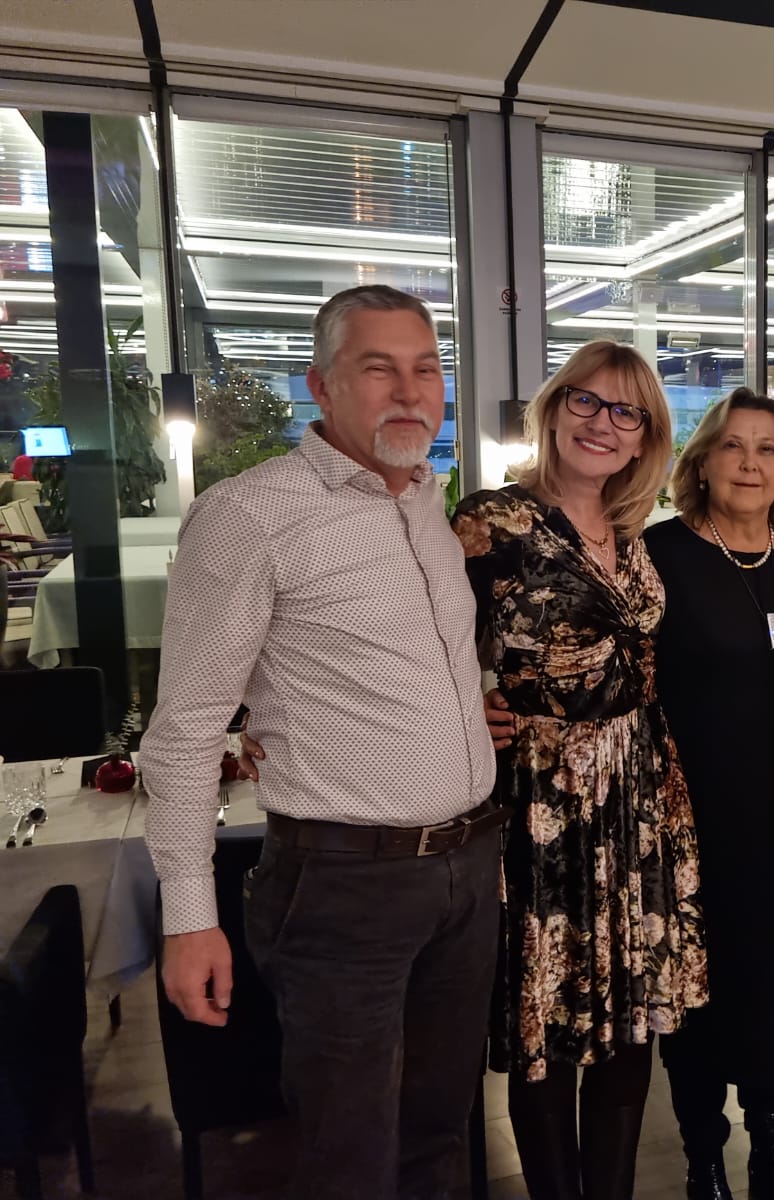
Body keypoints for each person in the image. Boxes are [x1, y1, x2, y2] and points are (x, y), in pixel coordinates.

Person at [142, 284, 502, 1200]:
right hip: (343, 885)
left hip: (466, 868)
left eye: (426, 369)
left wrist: (470, 714)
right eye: (378, 369)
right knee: (350, 1153)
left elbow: (397, 666)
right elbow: (183, 732)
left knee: (440, 1133)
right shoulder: (249, 515)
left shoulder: (428, 506)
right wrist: (188, 916)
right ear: (320, 385)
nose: (410, 392)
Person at [451, 339, 708, 1200]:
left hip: (637, 791)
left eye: (626, 411)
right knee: (550, 1017)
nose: (603, 423)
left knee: (630, 1019)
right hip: (543, 800)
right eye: (586, 401)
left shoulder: (634, 531)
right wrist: (470, 703)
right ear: (555, 409)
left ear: (645, 437)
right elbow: (426, 644)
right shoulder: (493, 521)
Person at [643, 388, 774, 1200]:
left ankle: (772, 1143)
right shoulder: (659, 553)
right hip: (688, 820)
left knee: (773, 981)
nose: (750, 464)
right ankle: (703, 1155)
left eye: (767, 449)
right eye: (733, 446)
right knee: (695, 989)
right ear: (703, 460)